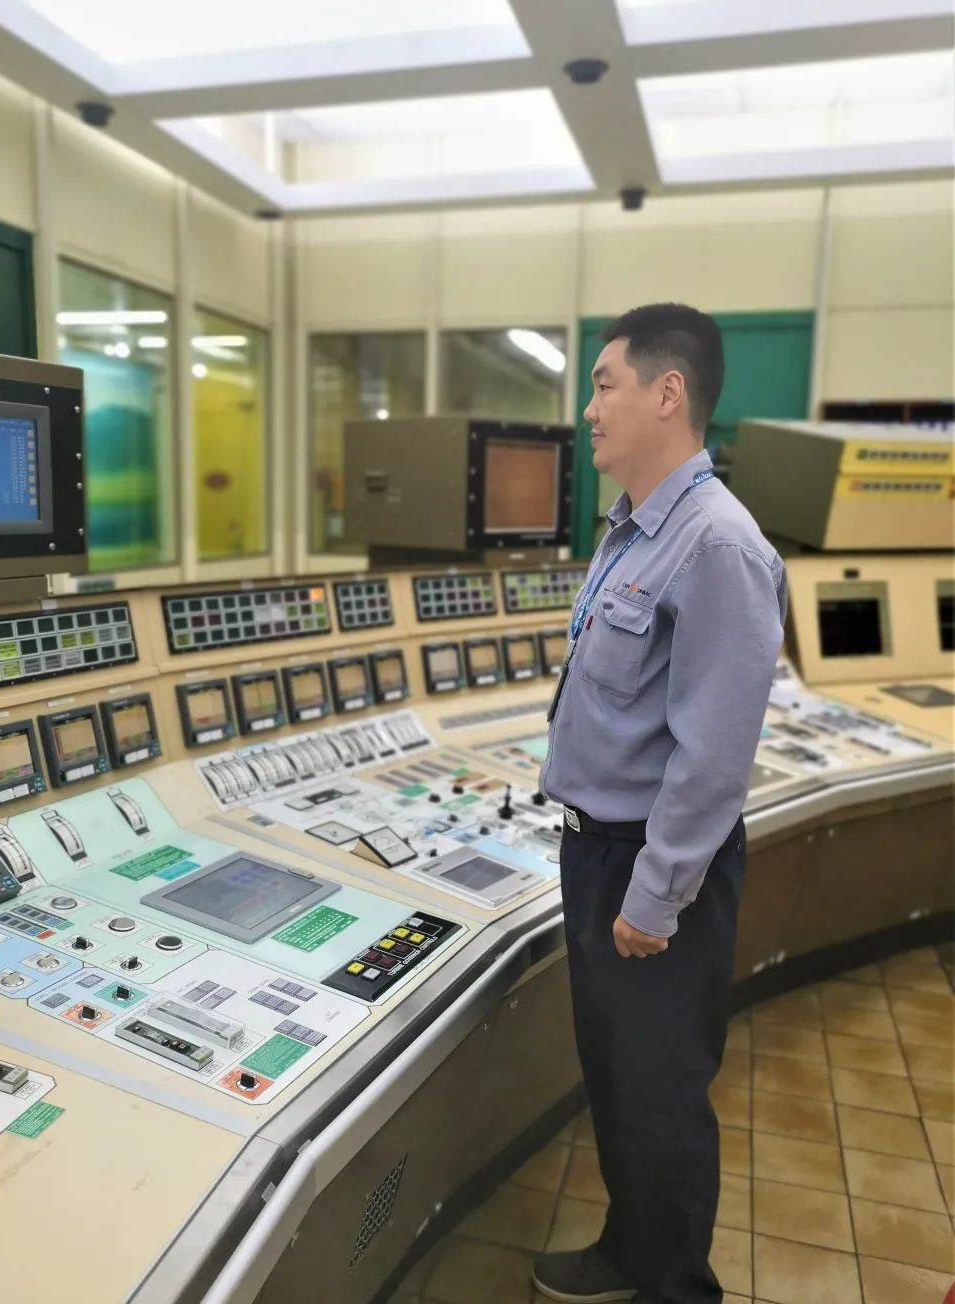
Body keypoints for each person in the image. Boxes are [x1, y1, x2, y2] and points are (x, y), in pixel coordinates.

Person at [532, 304, 786, 1304]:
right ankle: (628, 1249)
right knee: (616, 1080)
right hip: (598, 853)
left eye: (604, 384)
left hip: (651, 866)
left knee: (661, 1097)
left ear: (667, 393)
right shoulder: (633, 527)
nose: (589, 408)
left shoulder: (718, 546)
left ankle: (677, 1286)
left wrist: (656, 892)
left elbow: (714, 753)